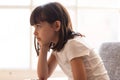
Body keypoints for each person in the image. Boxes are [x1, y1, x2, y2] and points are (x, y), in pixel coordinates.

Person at [30, 2, 110, 80]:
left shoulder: (72, 45)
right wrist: (43, 48)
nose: (35, 32)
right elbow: (43, 76)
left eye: (38, 26)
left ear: (56, 25)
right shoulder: (58, 47)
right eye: (34, 27)